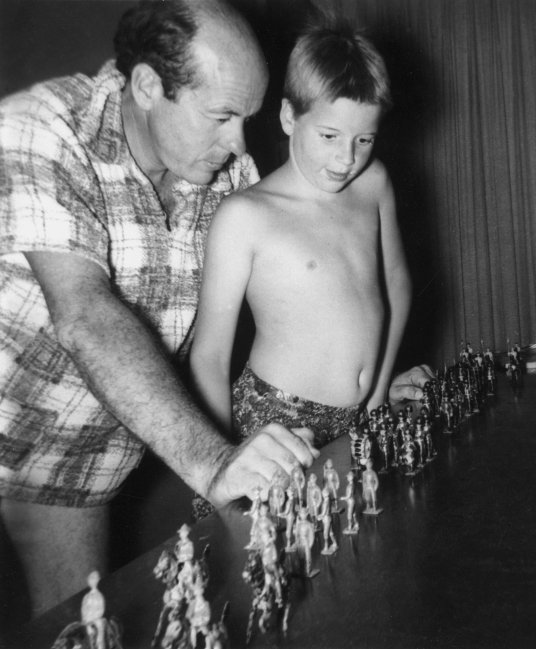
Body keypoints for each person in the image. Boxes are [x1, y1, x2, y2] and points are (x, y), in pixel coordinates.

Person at [0, 0, 323, 617]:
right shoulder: (41, 125)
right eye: (222, 115)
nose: (238, 143)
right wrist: (214, 463)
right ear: (148, 85)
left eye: (247, 117)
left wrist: (374, 386)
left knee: (84, 633)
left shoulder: (229, 178)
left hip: (74, 478)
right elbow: (85, 317)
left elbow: (299, 286)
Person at [190, 23, 411, 486]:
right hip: (277, 421)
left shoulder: (374, 184)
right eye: (329, 136)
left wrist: (376, 393)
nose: (346, 158)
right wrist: (224, 455)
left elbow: (397, 284)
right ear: (290, 117)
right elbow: (209, 354)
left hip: (361, 412)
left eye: (364, 140)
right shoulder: (245, 215)